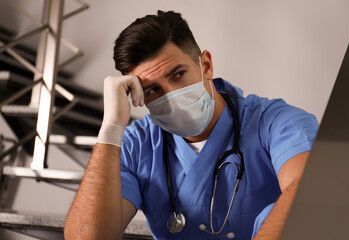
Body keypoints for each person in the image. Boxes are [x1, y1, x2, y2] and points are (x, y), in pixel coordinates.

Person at [64, 10, 318, 240]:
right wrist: (110, 128)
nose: (171, 96)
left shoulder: (277, 123)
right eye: (152, 89)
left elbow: (310, 191)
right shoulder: (136, 145)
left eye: (177, 74)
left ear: (205, 65)